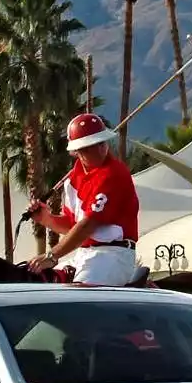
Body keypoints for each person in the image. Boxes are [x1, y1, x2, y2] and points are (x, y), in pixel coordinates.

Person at [26, 113, 142, 286]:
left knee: (79, 296)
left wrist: (52, 255)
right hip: (83, 253)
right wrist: (47, 219)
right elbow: (72, 226)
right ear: (77, 151)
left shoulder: (114, 173)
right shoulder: (72, 180)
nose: (101, 149)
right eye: (91, 145)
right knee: (42, 283)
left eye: (101, 142)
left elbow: (88, 225)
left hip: (113, 254)